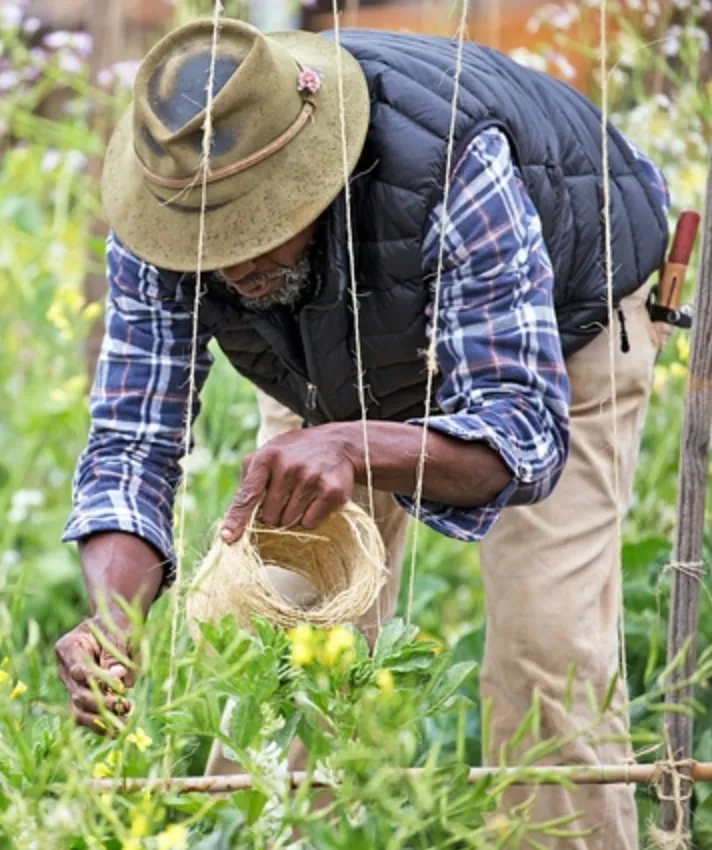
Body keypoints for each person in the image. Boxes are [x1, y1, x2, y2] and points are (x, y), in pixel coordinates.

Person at [56, 18, 670, 849]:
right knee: (286, 639)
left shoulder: (455, 164)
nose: (235, 263)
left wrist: (349, 445)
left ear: (318, 171)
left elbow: (520, 433)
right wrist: (113, 621)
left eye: (258, 224)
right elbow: (133, 439)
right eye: (215, 243)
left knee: (546, 653)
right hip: (327, 351)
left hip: (560, 327)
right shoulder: (165, 215)